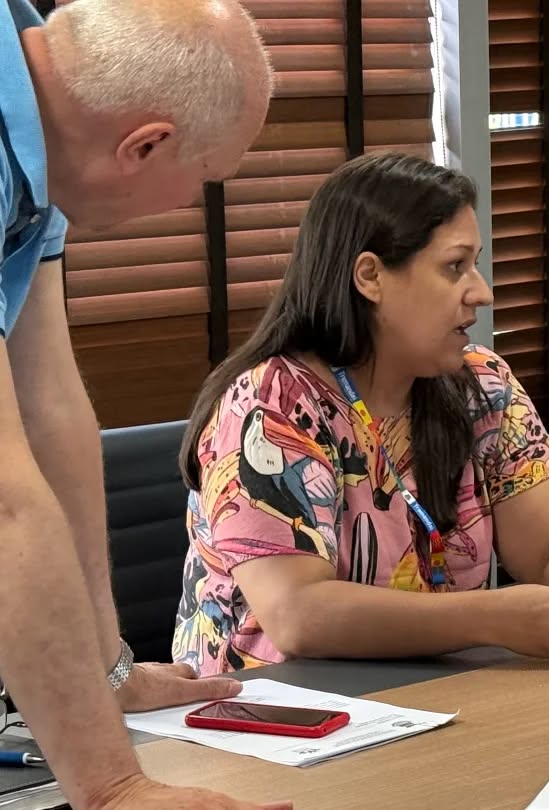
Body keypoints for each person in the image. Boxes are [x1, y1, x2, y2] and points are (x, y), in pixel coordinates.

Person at [174, 151, 549, 675]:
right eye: (455, 267)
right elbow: (298, 615)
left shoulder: (482, 385)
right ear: (371, 276)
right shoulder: (270, 405)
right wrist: (491, 618)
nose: (483, 292)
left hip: (440, 696)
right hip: (278, 718)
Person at [0, 0, 283, 807]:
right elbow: (5, 499)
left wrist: (107, 672)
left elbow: (48, 404)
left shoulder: (43, 93)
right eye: (204, 177)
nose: (194, 204)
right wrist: (114, 787)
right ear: (145, 144)